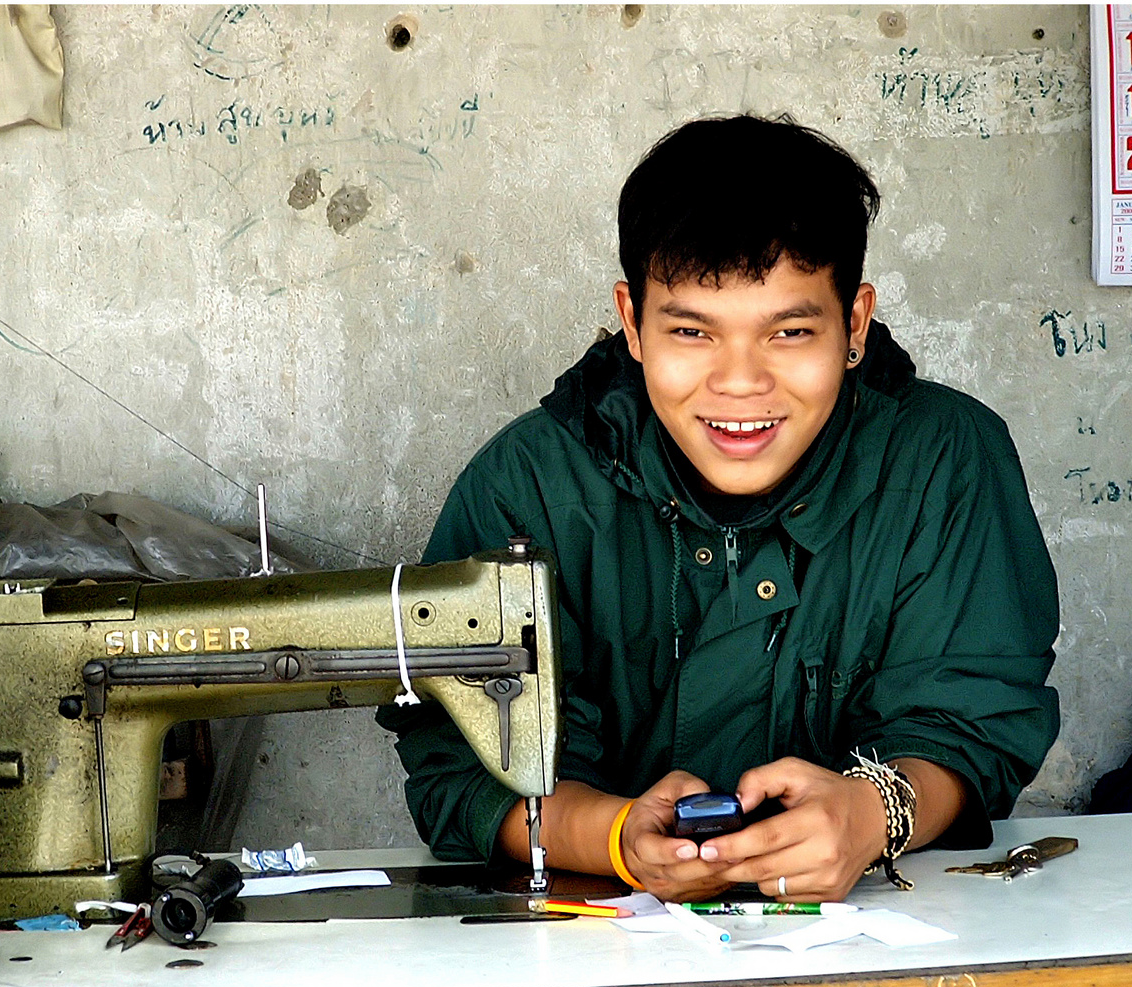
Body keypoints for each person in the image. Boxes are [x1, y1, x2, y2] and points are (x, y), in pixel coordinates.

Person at [376, 114, 1060, 903]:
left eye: (790, 331)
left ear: (855, 323)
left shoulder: (941, 458)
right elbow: (459, 762)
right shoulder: (528, 485)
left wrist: (870, 815)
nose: (740, 383)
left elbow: (972, 718)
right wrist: (612, 837)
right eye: (693, 332)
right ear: (632, 322)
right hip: (595, 961)